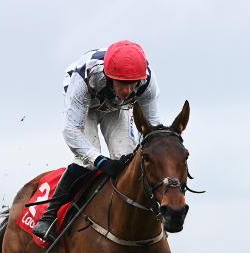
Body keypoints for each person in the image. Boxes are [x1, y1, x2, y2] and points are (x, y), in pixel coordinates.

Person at [33, 40, 161, 242]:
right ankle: (49, 217)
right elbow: (71, 131)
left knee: (126, 160)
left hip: (115, 107)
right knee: (88, 162)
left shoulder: (147, 83)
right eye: (122, 83)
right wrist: (99, 160)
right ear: (110, 77)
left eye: (132, 84)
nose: (127, 91)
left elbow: (152, 128)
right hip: (86, 103)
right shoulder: (86, 78)